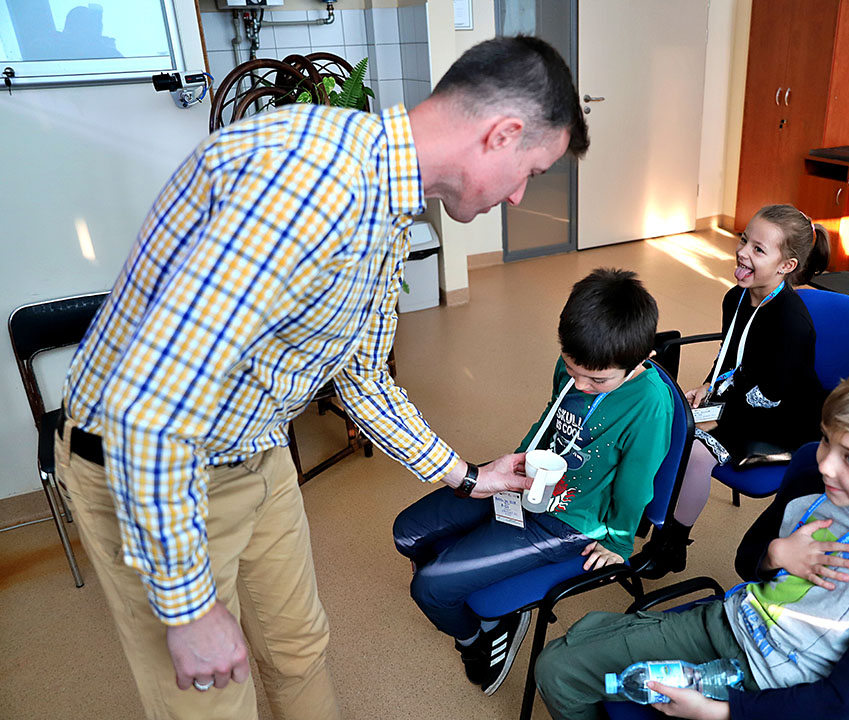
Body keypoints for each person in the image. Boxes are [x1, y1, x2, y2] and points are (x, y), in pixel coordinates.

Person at [53, 36, 588, 719]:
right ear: (502, 133)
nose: (518, 196)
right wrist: (187, 609)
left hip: (256, 448)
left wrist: (469, 478)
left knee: (299, 650)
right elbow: (149, 410)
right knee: (211, 702)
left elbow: (361, 375)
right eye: (529, 173)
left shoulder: (386, 207)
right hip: (158, 468)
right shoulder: (311, 185)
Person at [534, 353, 849, 720]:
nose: (827, 464)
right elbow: (748, 561)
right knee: (557, 668)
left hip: (792, 690)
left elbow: (842, 700)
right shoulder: (811, 475)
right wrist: (777, 554)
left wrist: (720, 712)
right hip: (734, 626)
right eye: (826, 441)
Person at [393, 268, 675, 695]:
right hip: (526, 483)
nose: (579, 384)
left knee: (429, 589)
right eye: (572, 369)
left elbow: (636, 487)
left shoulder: (650, 404)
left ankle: (478, 637)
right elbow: (550, 416)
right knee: (406, 534)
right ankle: (461, 584)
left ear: (640, 359)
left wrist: (619, 543)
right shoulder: (579, 363)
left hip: (570, 520)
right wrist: (518, 461)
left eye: (597, 381)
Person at [636, 204, 828, 577]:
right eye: (744, 241)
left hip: (784, 419)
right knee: (668, 422)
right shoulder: (735, 297)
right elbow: (730, 356)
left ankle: (671, 547)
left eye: (758, 249)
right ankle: (650, 518)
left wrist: (715, 417)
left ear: (786, 266)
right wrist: (709, 387)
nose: (742, 252)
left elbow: (768, 398)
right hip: (745, 400)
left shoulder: (792, 324)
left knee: (696, 451)